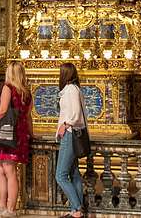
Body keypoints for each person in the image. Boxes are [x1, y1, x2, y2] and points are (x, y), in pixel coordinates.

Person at [0, 62, 33, 218]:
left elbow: (2, 110)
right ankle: (2, 205)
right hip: (18, 132)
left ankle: (11, 209)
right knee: (0, 169)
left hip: (8, 132)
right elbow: (28, 116)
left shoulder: (8, 88)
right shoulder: (27, 92)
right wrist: (31, 134)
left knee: (9, 170)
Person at [55, 63, 87, 218]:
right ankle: (76, 211)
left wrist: (65, 124)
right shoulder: (73, 89)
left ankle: (77, 207)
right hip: (71, 134)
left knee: (60, 175)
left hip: (70, 134)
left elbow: (76, 114)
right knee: (74, 174)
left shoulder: (71, 90)